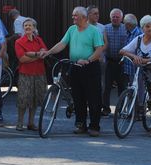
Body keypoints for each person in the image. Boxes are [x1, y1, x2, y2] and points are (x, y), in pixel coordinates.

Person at [43, 7, 105, 136]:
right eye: (73, 15)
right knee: (78, 97)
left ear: (84, 17)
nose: (73, 18)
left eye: (75, 16)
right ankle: (80, 124)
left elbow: (99, 50)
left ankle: (94, 126)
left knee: (93, 98)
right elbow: (62, 43)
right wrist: (48, 52)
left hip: (90, 67)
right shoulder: (71, 29)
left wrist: (88, 60)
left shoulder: (94, 31)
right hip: (75, 66)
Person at [14, 18, 47, 131]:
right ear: (23, 28)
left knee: (35, 99)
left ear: (34, 28)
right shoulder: (19, 42)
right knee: (23, 98)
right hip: (25, 74)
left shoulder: (39, 40)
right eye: (25, 25)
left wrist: (32, 54)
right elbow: (22, 58)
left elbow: (45, 52)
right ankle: (19, 123)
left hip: (39, 73)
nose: (27, 27)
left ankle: (31, 123)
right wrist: (38, 55)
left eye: (30, 25)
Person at [103, 8, 128, 115]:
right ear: (110, 17)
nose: (115, 18)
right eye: (113, 16)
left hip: (122, 62)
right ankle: (105, 109)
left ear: (121, 18)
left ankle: (121, 109)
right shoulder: (105, 28)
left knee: (122, 87)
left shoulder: (126, 28)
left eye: (117, 17)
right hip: (109, 62)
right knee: (106, 87)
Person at [87, 4, 109, 116]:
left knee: (100, 84)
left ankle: (98, 107)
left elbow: (105, 43)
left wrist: (98, 53)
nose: (97, 15)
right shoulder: (83, 26)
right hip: (86, 60)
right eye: (94, 13)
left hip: (100, 60)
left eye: (98, 13)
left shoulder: (102, 27)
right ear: (88, 14)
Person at [123, 13, 145, 117]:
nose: (123, 25)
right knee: (131, 89)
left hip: (137, 66)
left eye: (124, 23)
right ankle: (132, 111)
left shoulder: (139, 34)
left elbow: (140, 51)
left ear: (129, 24)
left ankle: (139, 112)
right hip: (129, 66)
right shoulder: (127, 31)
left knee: (139, 89)